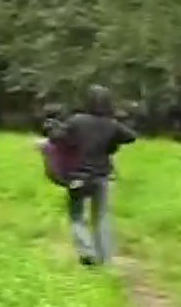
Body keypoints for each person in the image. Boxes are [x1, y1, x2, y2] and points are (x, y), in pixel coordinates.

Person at [54, 85, 138, 266]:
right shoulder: (111, 125)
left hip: (78, 176)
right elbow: (131, 137)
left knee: (76, 215)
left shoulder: (77, 121)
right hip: (102, 176)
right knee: (102, 217)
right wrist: (112, 141)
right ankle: (105, 258)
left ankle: (87, 252)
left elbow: (58, 137)